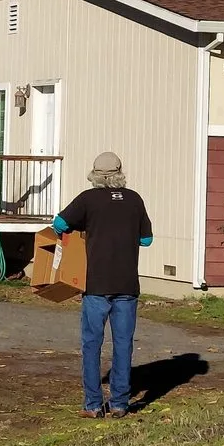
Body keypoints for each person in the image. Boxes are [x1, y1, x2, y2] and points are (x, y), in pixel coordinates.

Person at [52, 151, 153, 419]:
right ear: (120, 173)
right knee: (123, 344)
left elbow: (59, 224)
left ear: (95, 175)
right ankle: (120, 403)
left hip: (96, 284)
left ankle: (93, 405)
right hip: (127, 285)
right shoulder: (134, 199)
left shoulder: (88, 199)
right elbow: (146, 240)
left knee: (91, 344)